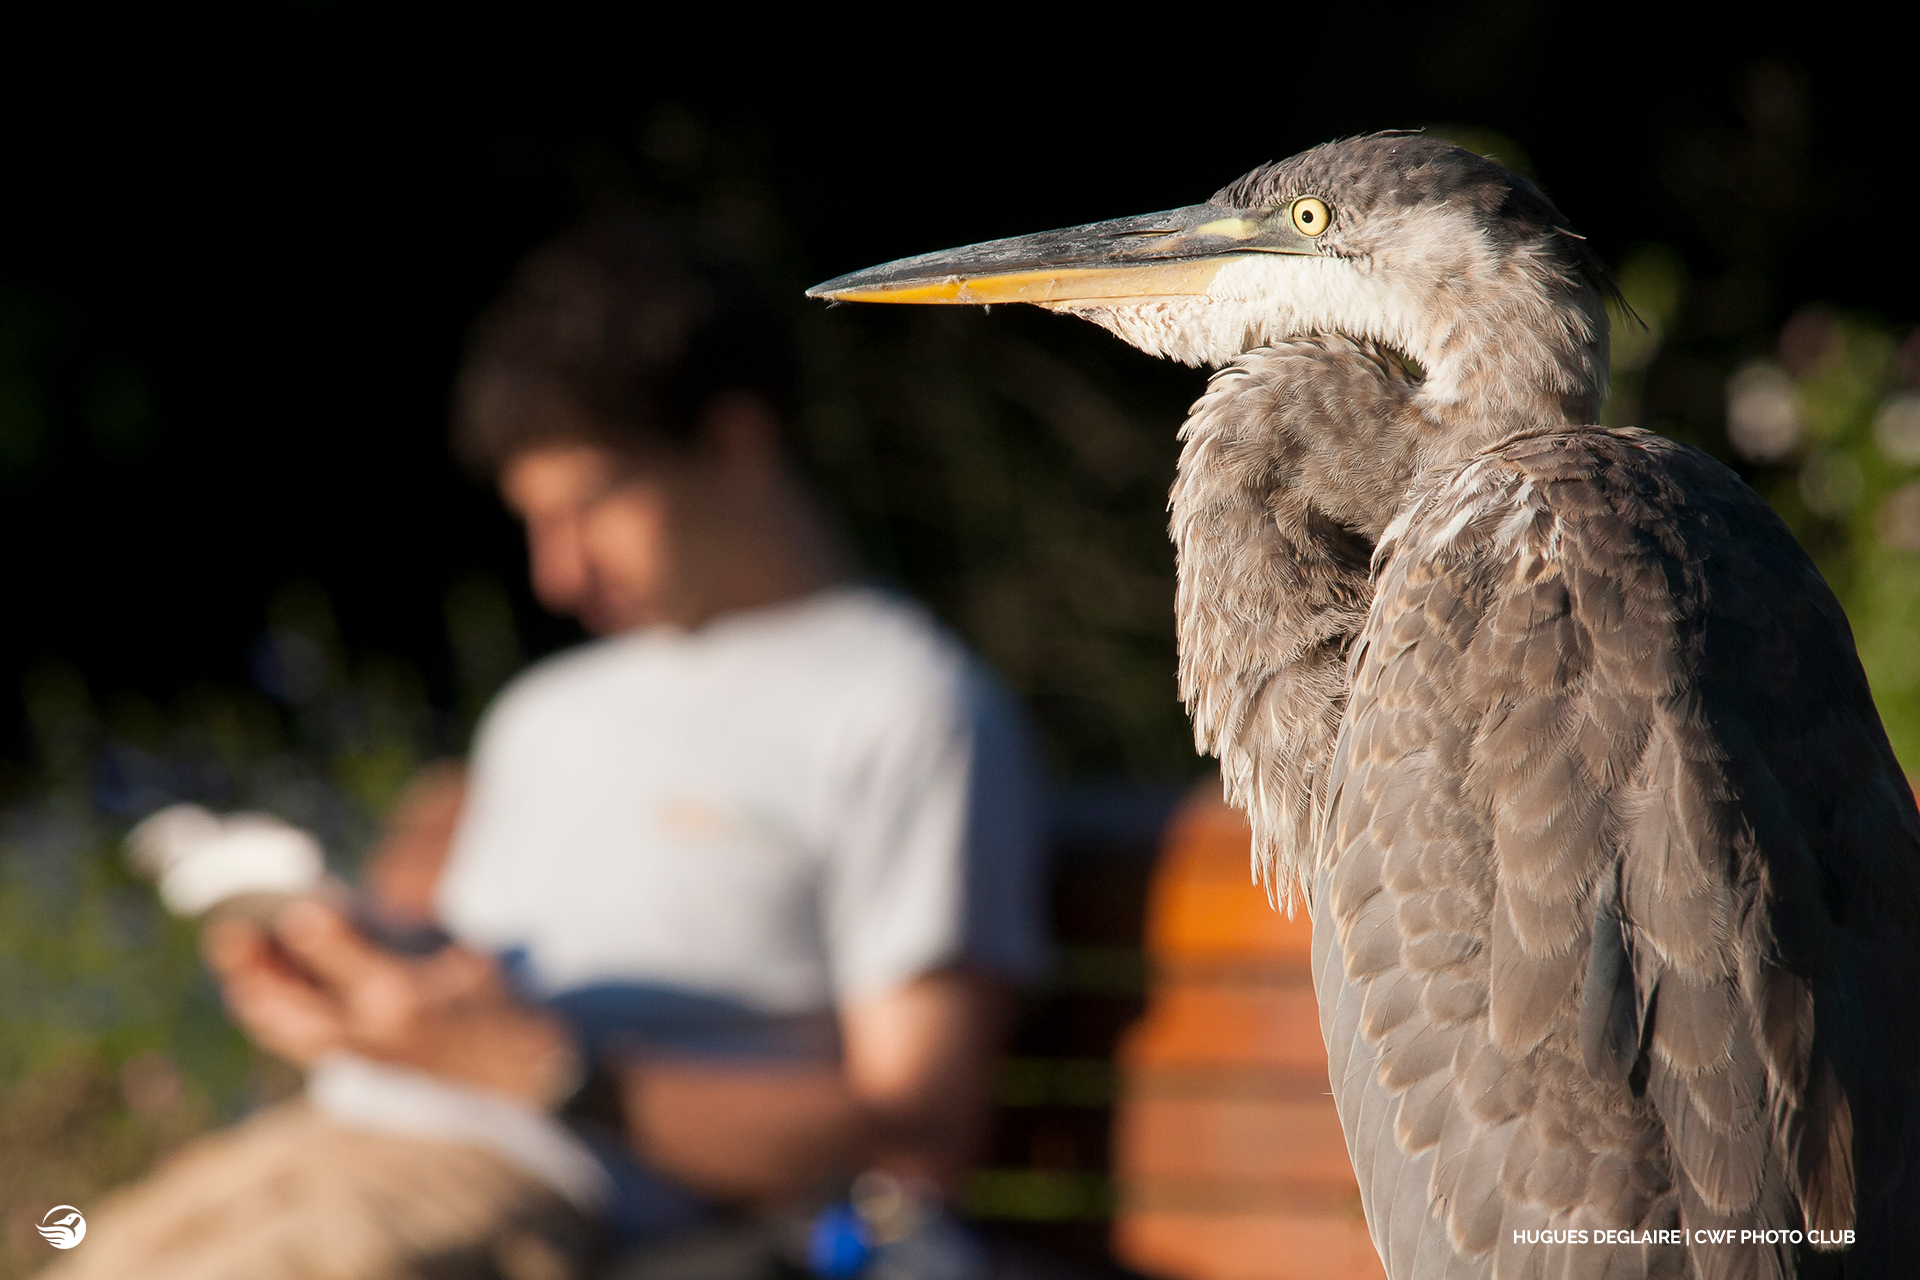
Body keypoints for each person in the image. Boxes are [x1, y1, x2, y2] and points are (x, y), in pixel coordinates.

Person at [45, 220, 1047, 1280]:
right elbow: (461, 990)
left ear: (736, 442)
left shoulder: (905, 708)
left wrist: (543, 1072)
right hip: (314, 1153)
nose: (556, 576)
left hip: (531, 1196)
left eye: (591, 505)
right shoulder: (545, 710)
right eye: (534, 522)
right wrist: (344, 980)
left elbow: (914, 1135)